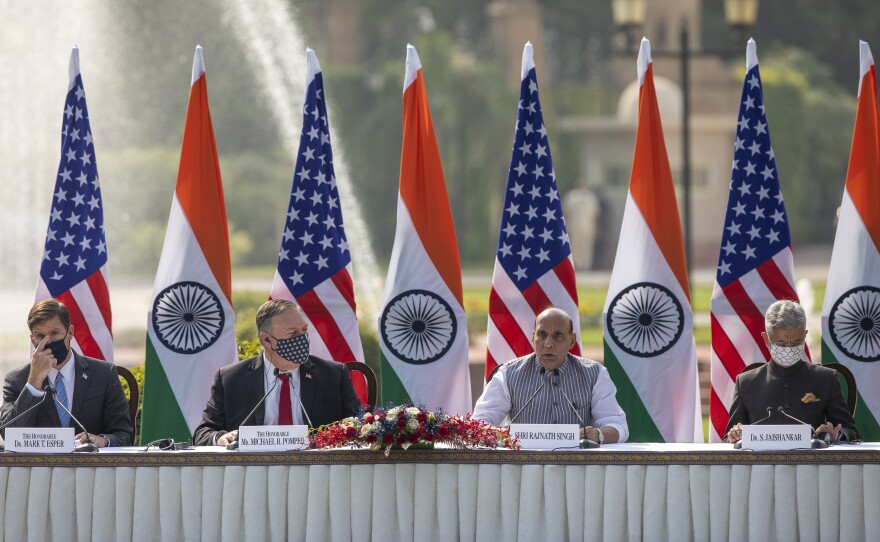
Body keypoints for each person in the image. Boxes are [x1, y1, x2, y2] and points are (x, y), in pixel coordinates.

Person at [193, 299, 361, 446]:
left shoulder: (334, 375)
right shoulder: (230, 378)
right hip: (252, 472)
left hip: (316, 470)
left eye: (304, 330)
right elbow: (203, 433)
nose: (302, 338)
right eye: (293, 333)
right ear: (267, 339)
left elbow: (356, 426)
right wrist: (222, 438)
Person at [473, 307, 628, 444]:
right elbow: (478, 422)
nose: (548, 343)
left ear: (572, 341)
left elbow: (618, 426)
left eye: (558, 335)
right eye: (542, 334)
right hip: (522, 467)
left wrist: (598, 435)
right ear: (533, 338)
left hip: (576, 467)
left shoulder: (594, 373)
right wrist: (503, 435)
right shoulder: (508, 373)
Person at [0, 299, 133, 447]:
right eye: (40, 336)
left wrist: (102, 440)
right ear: (32, 340)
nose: (47, 341)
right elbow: (9, 435)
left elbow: (124, 435)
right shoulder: (17, 380)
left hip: (89, 467)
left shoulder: (103, 374)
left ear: (70, 333)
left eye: (55, 333)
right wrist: (34, 383)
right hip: (39, 468)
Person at [725, 300, 860, 444]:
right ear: (766, 339)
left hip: (811, 463)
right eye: (782, 343)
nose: (789, 348)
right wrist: (735, 435)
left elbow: (851, 432)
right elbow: (728, 439)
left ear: (805, 335)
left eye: (796, 342)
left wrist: (833, 435)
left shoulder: (826, 378)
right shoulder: (746, 382)